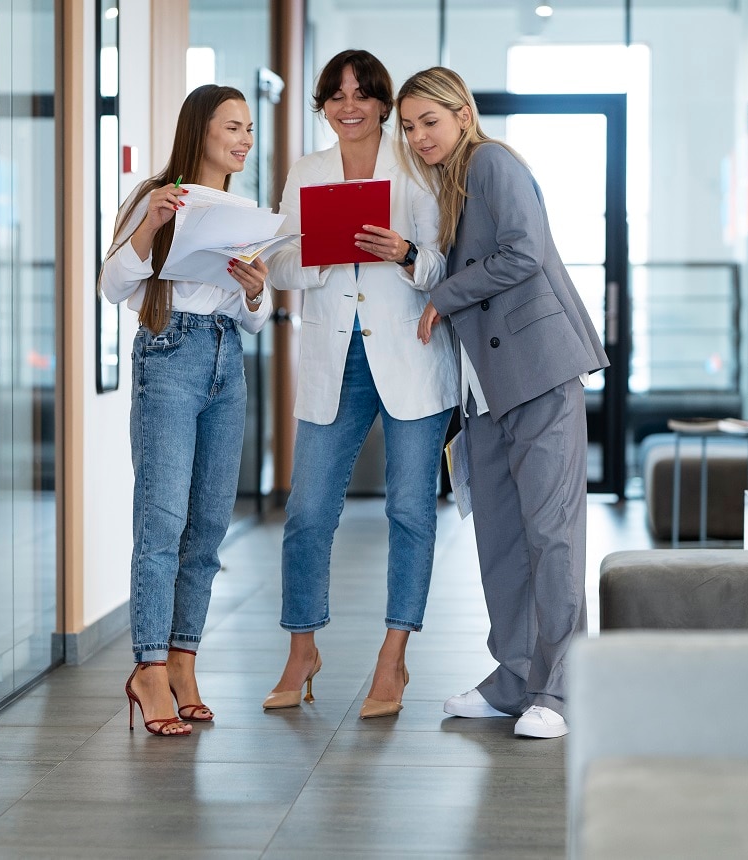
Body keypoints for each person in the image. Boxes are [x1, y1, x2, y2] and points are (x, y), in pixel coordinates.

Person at [397, 67, 610, 739]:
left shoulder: (491, 164)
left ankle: (564, 690)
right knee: (501, 539)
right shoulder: (448, 183)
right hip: (486, 389)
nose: (419, 135)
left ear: (463, 114)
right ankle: (516, 677)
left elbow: (525, 252)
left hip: (539, 372)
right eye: (407, 126)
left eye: (429, 120)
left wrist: (443, 295)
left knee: (552, 535)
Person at [263, 50, 457, 719]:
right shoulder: (307, 171)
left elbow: (441, 267)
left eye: (362, 94)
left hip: (410, 354)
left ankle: (393, 656)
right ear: (324, 105)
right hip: (331, 356)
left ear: (381, 102)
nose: (348, 106)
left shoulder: (416, 167)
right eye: (335, 95)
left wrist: (403, 253)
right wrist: (324, 250)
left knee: (409, 512)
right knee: (309, 511)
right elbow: (279, 263)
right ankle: (301, 648)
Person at [100, 84, 273, 736]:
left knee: (207, 526)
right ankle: (147, 668)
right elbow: (112, 285)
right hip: (171, 355)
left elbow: (255, 320)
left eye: (249, 129)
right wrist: (149, 224)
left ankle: (181, 659)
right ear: (200, 130)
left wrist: (256, 294)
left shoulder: (249, 211)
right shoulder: (156, 198)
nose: (245, 139)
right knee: (163, 521)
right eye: (234, 126)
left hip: (230, 363)